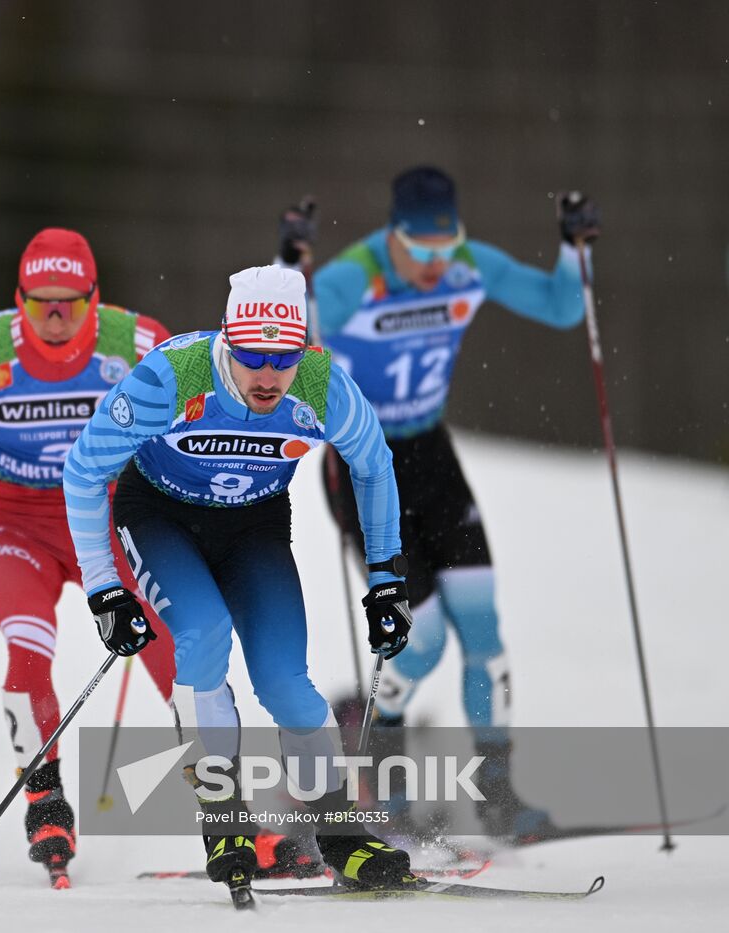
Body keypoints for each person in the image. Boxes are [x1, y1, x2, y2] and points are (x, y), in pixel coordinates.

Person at [63, 265, 416, 894]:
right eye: (251, 357)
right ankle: (224, 818)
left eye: (283, 360)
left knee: (287, 684)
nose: (268, 376)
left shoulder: (322, 385)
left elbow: (374, 464)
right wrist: (103, 588)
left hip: (253, 527)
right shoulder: (172, 378)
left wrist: (387, 578)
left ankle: (340, 836)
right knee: (203, 634)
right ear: (227, 340)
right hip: (161, 517)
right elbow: (84, 470)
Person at [279, 167, 601, 837]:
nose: (435, 265)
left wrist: (575, 251)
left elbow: (562, 307)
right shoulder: (353, 278)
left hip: (431, 454)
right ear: (393, 236)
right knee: (420, 643)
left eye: (445, 247)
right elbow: (284, 336)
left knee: (484, 631)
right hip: (365, 464)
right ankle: (387, 788)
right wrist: (289, 274)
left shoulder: (467, 265)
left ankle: (499, 797)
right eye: (420, 251)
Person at [0, 227, 178, 888]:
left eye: (69, 305)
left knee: (175, 648)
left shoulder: (137, 343)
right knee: (27, 647)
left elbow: (190, 412)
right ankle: (45, 800)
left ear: (95, 299)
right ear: (18, 297)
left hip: (105, 518)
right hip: (13, 523)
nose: (54, 318)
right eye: (39, 304)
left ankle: (238, 814)